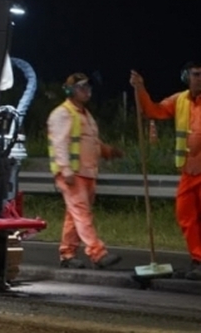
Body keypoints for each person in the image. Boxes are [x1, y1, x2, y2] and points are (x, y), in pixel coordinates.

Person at [129, 62, 201, 280]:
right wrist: (140, 88)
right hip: (188, 174)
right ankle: (198, 259)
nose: (200, 79)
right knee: (186, 216)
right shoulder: (179, 100)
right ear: (186, 77)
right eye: (196, 75)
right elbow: (152, 111)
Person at [47, 73, 123, 269]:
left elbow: (91, 142)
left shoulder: (85, 115)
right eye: (82, 87)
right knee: (82, 214)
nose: (87, 91)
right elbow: (59, 144)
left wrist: (107, 151)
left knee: (74, 215)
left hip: (87, 173)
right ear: (70, 90)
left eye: (88, 87)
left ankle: (67, 254)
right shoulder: (62, 114)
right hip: (73, 174)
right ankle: (97, 253)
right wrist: (65, 170)